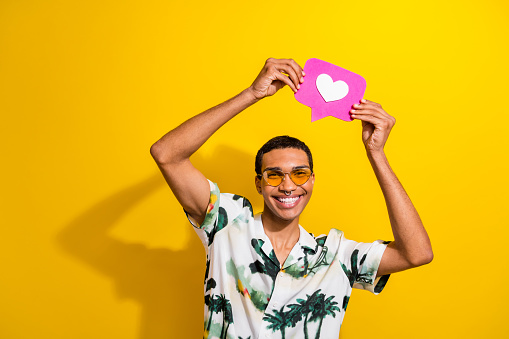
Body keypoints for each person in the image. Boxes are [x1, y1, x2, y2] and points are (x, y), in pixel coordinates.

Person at [150, 58, 433, 339]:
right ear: (258, 184)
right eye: (274, 175)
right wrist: (251, 94)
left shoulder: (336, 255)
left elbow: (416, 253)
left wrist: (376, 153)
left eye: (299, 174)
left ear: (311, 181)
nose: (288, 186)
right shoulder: (226, 223)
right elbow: (167, 155)